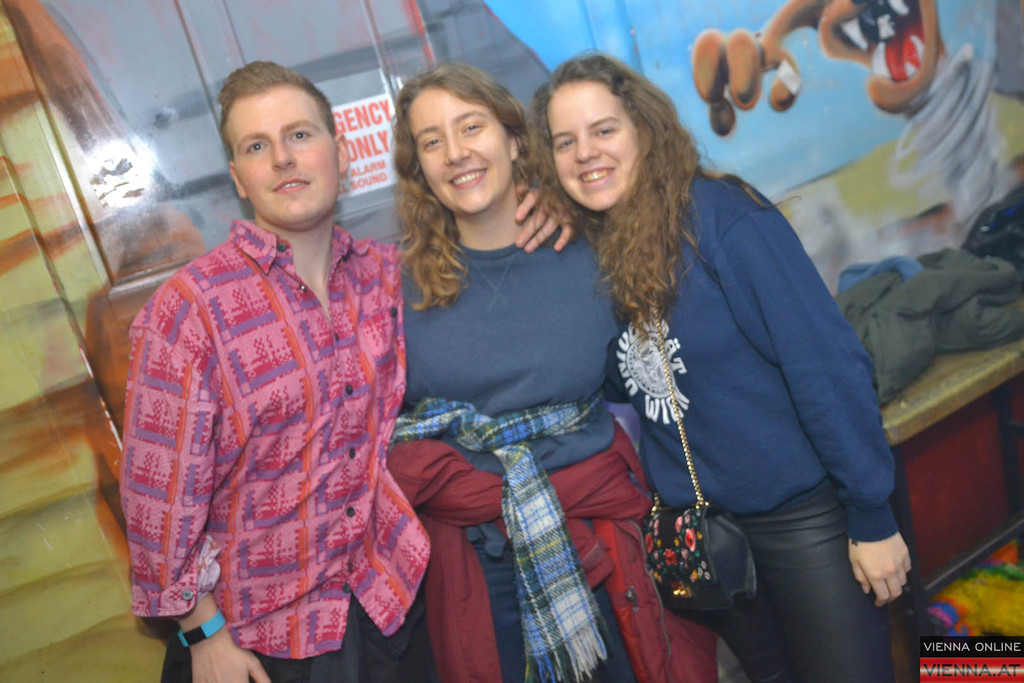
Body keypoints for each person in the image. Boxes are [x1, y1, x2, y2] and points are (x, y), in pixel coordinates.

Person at [529, 53, 912, 683]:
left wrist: (872, 514)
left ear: (644, 129)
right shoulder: (593, 255)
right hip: (704, 538)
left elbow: (826, 367)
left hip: (803, 522)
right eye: (564, 141)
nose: (585, 152)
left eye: (604, 130)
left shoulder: (720, 218)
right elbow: (614, 379)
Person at [386, 62, 719, 683]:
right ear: (419, 169)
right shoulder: (393, 290)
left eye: (471, 127)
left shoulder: (590, 248)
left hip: (609, 538)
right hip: (476, 565)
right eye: (432, 141)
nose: (455, 153)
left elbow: (658, 382)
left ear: (515, 141)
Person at [119, 61, 440, 683]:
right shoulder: (191, 309)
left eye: (299, 135)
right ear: (239, 177)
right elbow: (156, 501)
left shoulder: (384, 276)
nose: (283, 158)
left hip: (386, 611)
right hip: (255, 643)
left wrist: (532, 204)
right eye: (257, 146)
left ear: (340, 153)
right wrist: (204, 634)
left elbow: (480, 251)